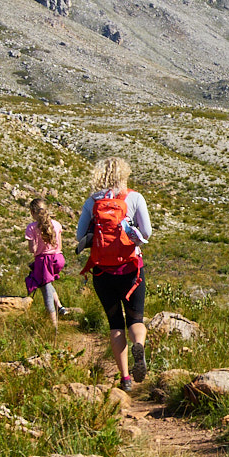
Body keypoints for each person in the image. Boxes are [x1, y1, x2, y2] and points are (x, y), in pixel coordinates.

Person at [77, 157, 152, 390]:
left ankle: (126, 379)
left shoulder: (92, 202)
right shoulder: (135, 197)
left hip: (102, 273)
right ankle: (139, 344)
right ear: (124, 174)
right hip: (131, 271)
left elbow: (80, 236)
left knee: (115, 324)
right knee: (135, 320)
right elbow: (147, 233)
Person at [24, 198, 67, 329]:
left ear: (32, 212)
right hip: (58, 258)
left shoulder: (32, 227)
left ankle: (54, 326)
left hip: (44, 261)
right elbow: (59, 245)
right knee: (46, 283)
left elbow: (33, 249)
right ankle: (60, 307)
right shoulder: (56, 224)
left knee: (45, 291)